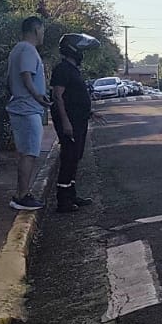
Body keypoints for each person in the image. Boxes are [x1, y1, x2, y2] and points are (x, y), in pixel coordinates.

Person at [51, 32, 99, 213]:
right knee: (69, 157)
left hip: (78, 120)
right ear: (72, 50)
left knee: (76, 157)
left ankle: (71, 195)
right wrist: (65, 122)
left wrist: (89, 112)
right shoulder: (62, 69)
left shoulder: (72, 70)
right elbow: (58, 96)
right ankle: (63, 201)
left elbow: (74, 96)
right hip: (69, 122)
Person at [6, 16, 50, 211]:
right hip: (27, 107)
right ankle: (22, 195)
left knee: (26, 152)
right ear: (36, 29)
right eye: (42, 31)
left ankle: (22, 193)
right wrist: (38, 96)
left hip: (24, 106)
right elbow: (26, 76)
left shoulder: (18, 49)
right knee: (30, 152)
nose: (43, 35)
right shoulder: (27, 49)